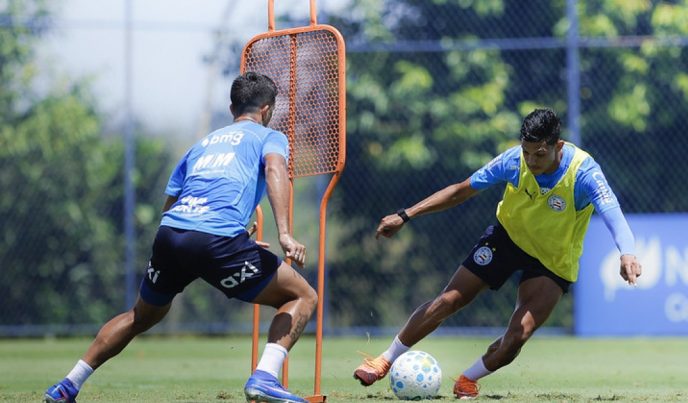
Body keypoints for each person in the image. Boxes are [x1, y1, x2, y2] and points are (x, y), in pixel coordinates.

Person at [44, 72, 317, 403]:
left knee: (139, 316)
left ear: (232, 107)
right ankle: (264, 378)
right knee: (301, 295)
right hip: (217, 241)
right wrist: (284, 234)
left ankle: (67, 385)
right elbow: (275, 171)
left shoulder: (200, 145)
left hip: (172, 234)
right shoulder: (268, 137)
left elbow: (170, 204)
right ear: (268, 108)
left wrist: (229, 240)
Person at [353, 108, 642, 399]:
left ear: (559, 146)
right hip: (506, 239)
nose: (531, 161)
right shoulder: (513, 161)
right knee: (448, 300)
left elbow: (612, 212)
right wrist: (406, 215)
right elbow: (460, 191)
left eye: (539, 154)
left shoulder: (584, 173)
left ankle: (468, 378)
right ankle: (384, 360)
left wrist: (626, 252)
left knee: (517, 336)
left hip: (552, 261)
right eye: (526, 152)